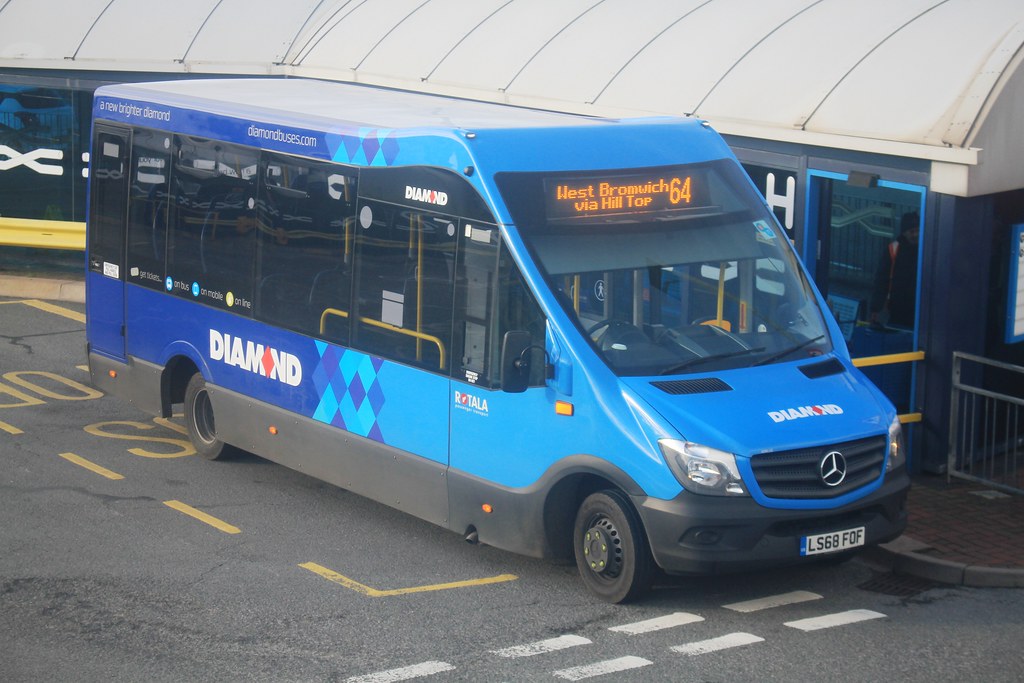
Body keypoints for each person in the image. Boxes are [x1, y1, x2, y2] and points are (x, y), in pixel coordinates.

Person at [870, 211, 919, 329]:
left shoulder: (926, 248)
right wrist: (876, 308)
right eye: (911, 231)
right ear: (904, 233)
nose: (915, 234)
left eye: (917, 230)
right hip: (897, 307)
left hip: (916, 306)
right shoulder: (894, 249)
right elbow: (882, 280)